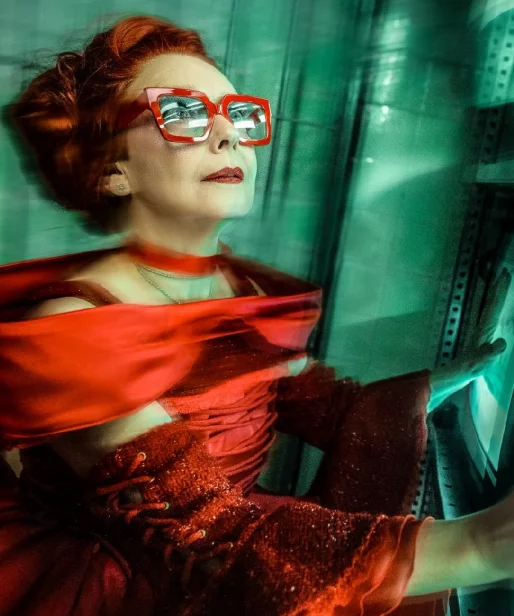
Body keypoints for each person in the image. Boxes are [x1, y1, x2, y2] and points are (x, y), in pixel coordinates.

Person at [0, 14, 512, 616]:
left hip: (240, 546)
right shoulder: (71, 328)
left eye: (239, 115)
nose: (229, 135)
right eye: (183, 112)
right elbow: (212, 533)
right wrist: (482, 543)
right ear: (112, 169)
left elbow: (324, 405)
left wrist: (439, 383)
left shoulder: (237, 286)